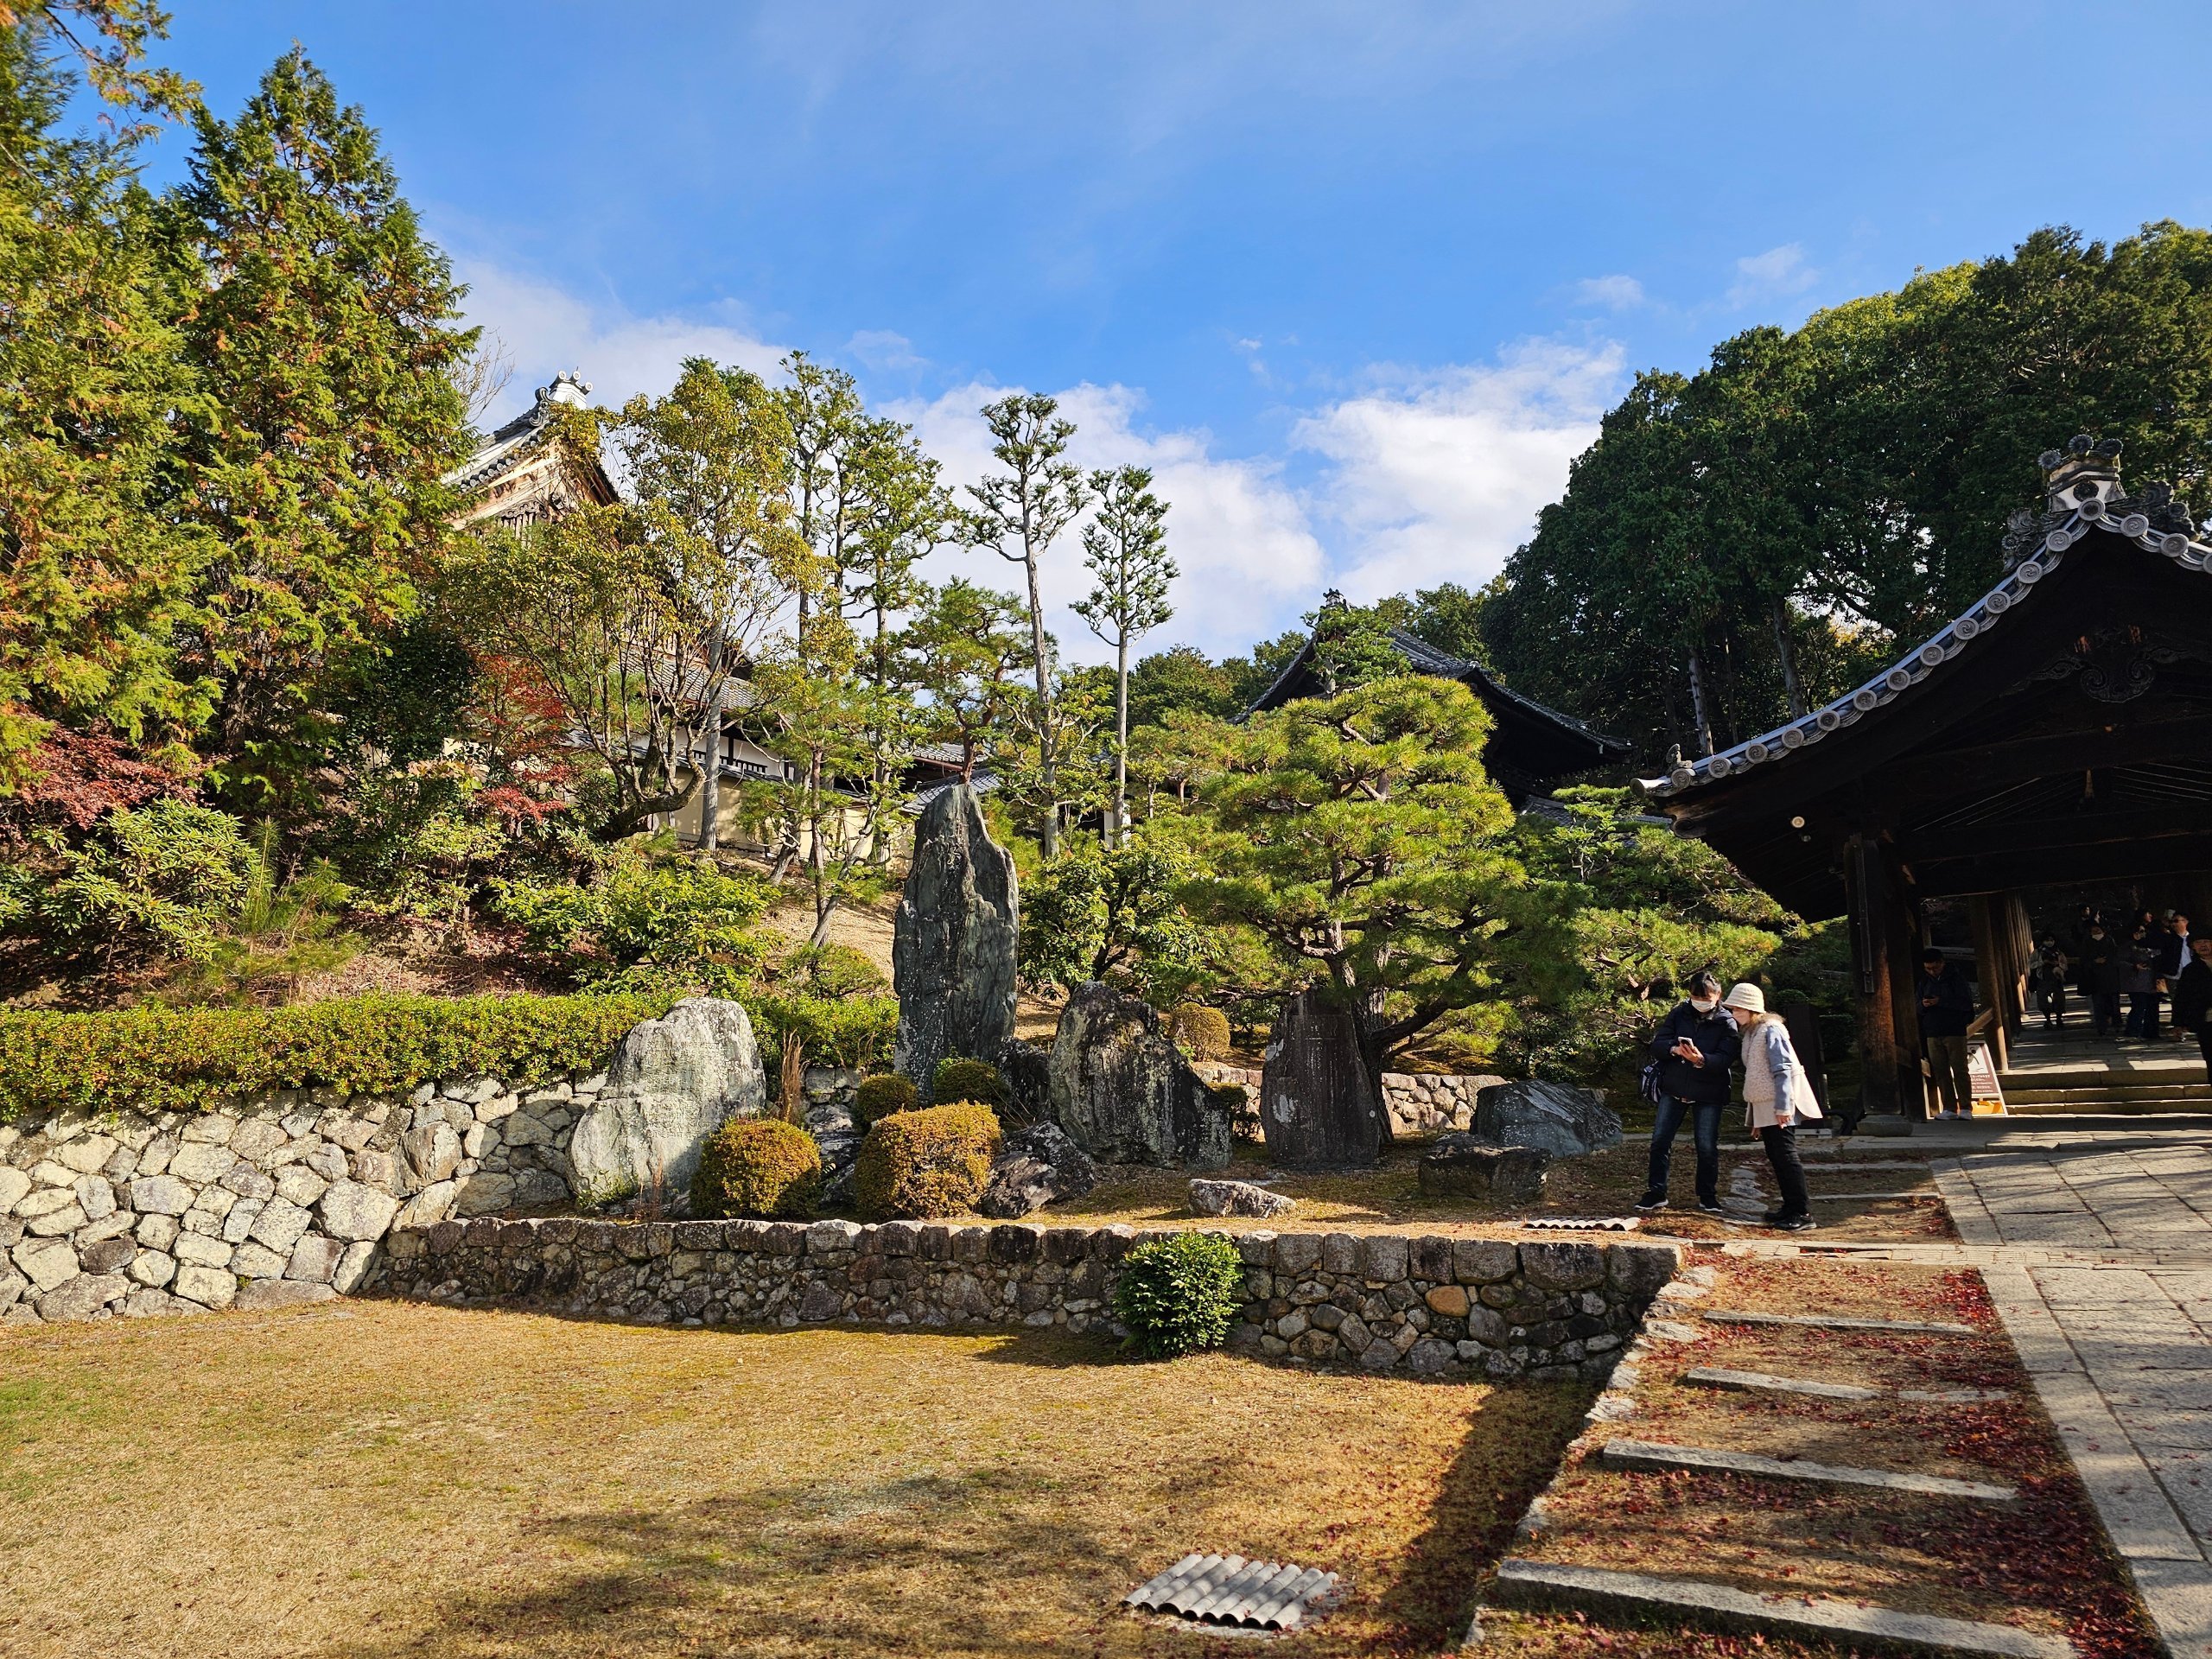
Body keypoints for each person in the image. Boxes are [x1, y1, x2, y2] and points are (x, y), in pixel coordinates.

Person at [1636, 969, 1740, 1216]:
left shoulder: (1726, 1021)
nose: (1701, 1001)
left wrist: (1701, 1060)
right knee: (1660, 1141)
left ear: (1718, 995)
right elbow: (1658, 1045)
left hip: (1709, 1091)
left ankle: (1707, 1195)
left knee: (1706, 1145)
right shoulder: (1679, 1012)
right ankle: (1656, 1191)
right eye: (1696, 996)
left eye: (1706, 997)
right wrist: (1674, 1050)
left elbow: (1726, 1058)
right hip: (1674, 1087)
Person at [1721, 982, 1820, 1231]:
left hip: (1779, 1102)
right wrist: (1756, 1118)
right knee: (1777, 1156)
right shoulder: (1752, 1032)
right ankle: (1790, 1206)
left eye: (1738, 1009)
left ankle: (1802, 1212)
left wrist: (1784, 1107)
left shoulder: (1772, 1029)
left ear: (1750, 1008)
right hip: (1766, 1104)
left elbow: (1783, 1069)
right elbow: (1758, 1076)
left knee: (1786, 1156)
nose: (1734, 1013)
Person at [1916, 949, 1975, 1119]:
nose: (1932, 971)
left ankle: (1966, 1107)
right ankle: (1949, 1107)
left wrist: (1940, 1002)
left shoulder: (1956, 979)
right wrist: (1923, 1004)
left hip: (1954, 1030)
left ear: (1942, 963)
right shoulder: (1924, 981)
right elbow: (1916, 1005)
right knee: (1940, 1071)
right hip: (1932, 1031)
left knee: (1960, 1069)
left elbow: (1965, 1004)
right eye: (1928, 968)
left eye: (1935, 968)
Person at [2174, 935, 2212, 1084]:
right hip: (2205, 1020)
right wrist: (2178, 1022)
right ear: (2193, 947)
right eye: (2198, 942)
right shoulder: (2191, 970)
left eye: (2207, 941)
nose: (2203, 945)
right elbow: (2182, 996)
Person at [2082, 921, 2125, 1040]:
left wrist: (2107, 960)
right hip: (2096, 980)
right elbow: (2084, 960)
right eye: (2093, 931)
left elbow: (2116, 956)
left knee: (2114, 1004)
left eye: (2098, 931)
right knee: (2098, 1005)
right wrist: (2094, 962)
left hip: (2111, 978)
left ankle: (2116, 1024)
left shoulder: (2109, 941)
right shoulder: (2088, 942)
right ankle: (2101, 1027)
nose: (2096, 933)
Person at [2032, 937, 2069, 1029]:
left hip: (2056, 978)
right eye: (2047, 940)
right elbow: (2031, 964)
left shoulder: (2059, 952)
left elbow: (2065, 965)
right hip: (2043, 978)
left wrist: (2058, 965)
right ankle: (2048, 1019)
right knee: (2044, 1000)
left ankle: (2059, 1018)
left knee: (2059, 999)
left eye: (2051, 940)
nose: (2049, 942)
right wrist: (2043, 962)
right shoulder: (2038, 952)